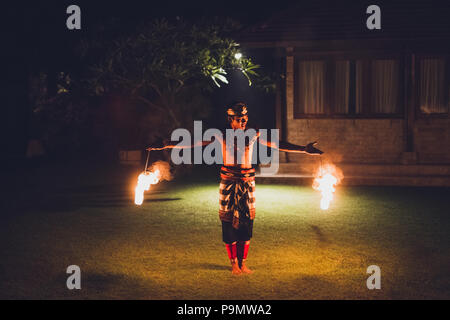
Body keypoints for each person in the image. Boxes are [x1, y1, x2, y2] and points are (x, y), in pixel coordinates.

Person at [148, 102, 323, 275]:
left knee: (246, 223)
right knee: (228, 223)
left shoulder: (253, 134)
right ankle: (233, 265)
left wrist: (303, 149)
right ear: (230, 119)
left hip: (247, 184)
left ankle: (243, 264)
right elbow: (193, 142)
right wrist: (166, 143)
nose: (243, 121)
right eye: (239, 119)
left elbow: (277, 143)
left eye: (245, 118)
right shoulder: (221, 135)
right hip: (228, 183)